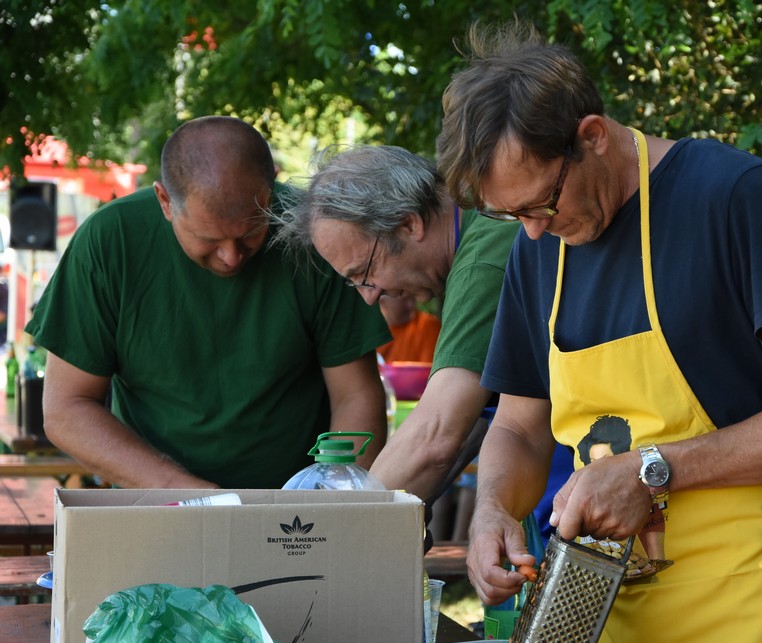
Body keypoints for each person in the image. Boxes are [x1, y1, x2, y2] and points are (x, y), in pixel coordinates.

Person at [436, 21, 762, 643]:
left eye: (542, 204)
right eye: (512, 215)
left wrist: (655, 469)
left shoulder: (734, 198)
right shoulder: (535, 250)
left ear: (592, 136)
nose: (535, 232)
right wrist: (492, 510)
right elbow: (518, 424)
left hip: (748, 632)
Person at [25, 116, 389, 489]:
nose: (231, 256)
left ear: (271, 185)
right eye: (208, 239)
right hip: (156, 503)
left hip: (294, 517)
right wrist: (185, 492)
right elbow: (67, 409)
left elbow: (356, 395)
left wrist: (334, 503)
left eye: (251, 231)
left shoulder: (316, 235)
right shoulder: (109, 242)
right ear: (165, 201)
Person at [271, 144, 530, 509]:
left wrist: (336, 532)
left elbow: (435, 437)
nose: (370, 298)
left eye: (365, 273)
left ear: (410, 222)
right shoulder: (478, 233)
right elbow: (469, 426)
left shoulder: (481, 266)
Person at [376, 295, 441, 364]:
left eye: (412, 299)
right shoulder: (371, 332)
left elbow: (430, 370)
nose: (411, 305)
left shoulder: (426, 325)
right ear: (383, 303)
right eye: (404, 300)